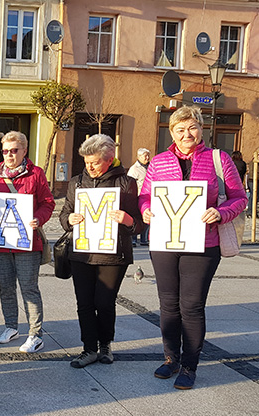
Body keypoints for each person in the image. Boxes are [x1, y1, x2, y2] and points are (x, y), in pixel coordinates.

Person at [139, 106, 247, 390]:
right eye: (180, 129)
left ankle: (189, 365)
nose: (186, 134)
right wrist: (146, 209)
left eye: (192, 127)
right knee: (168, 304)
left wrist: (220, 212)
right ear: (172, 133)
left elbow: (239, 197)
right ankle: (171, 358)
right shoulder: (159, 161)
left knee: (192, 306)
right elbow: (145, 195)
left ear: (201, 128)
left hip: (203, 243)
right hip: (164, 241)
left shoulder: (218, 159)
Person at [60, 134, 143, 369]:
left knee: (105, 302)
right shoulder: (76, 182)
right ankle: (89, 348)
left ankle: (105, 344)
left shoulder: (126, 183)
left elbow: (138, 224)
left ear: (109, 159)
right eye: (86, 162)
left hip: (112, 255)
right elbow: (64, 214)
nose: (90, 167)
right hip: (82, 253)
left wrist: (127, 220)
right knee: (84, 303)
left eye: (95, 162)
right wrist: (69, 220)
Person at [0, 131, 54, 353]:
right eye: (5, 151)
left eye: (14, 150)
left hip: (27, 243)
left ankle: (35, 334)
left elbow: (48, 203)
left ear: (24, 151)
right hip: (1, 241)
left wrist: (38, 218)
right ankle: (11, 326)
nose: (9, 155)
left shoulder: (36, 174)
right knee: (6, 287)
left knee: (28, 288)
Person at [128, 148, 151, 245]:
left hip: (148, 196)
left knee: (147, 218)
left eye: (148, 155)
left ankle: (143, 239)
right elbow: (129, 183)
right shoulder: (134, 169)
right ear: (139, 157)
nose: (147, 158)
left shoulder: (151, 166)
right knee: (136, 218)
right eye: (145, 156)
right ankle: (133, 239)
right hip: (137, 196)